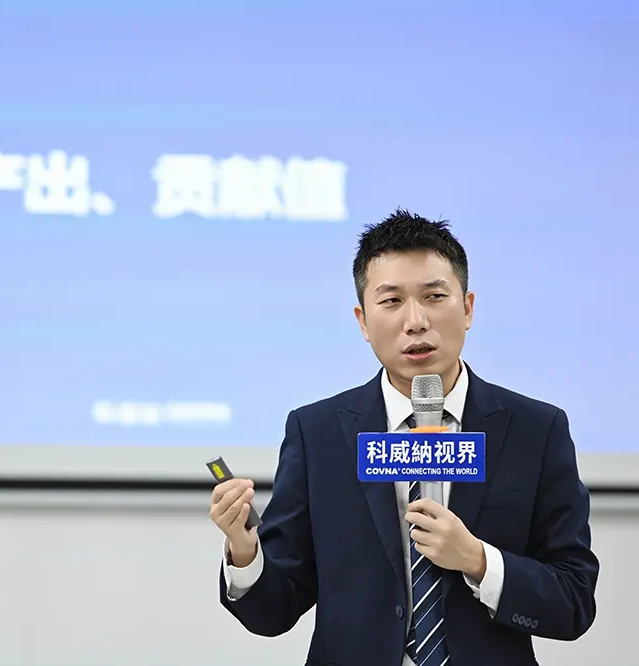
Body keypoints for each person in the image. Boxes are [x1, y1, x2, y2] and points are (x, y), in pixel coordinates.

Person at [210, 209, 599, 665]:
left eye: (434, 296)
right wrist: (244, 550)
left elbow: (573, 602)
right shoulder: (318, 434)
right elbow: (273, 612)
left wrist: (478, 560)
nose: (415, 321)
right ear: (362, 320)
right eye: (392, 301)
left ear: (468, 308)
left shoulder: (536, 429)